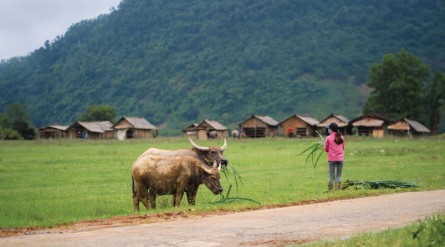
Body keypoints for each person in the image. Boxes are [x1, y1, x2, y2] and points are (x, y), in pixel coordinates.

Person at [324, 122, 345, 191]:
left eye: (329, 129)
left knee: (331, 176)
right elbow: (343, 148)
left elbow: (326, 149)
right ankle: (338, 190)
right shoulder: (342, 137)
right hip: (340, 159)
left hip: (332, 159)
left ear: (331, 129)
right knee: (339, 176)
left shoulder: (328, 138)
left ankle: (330, 190)